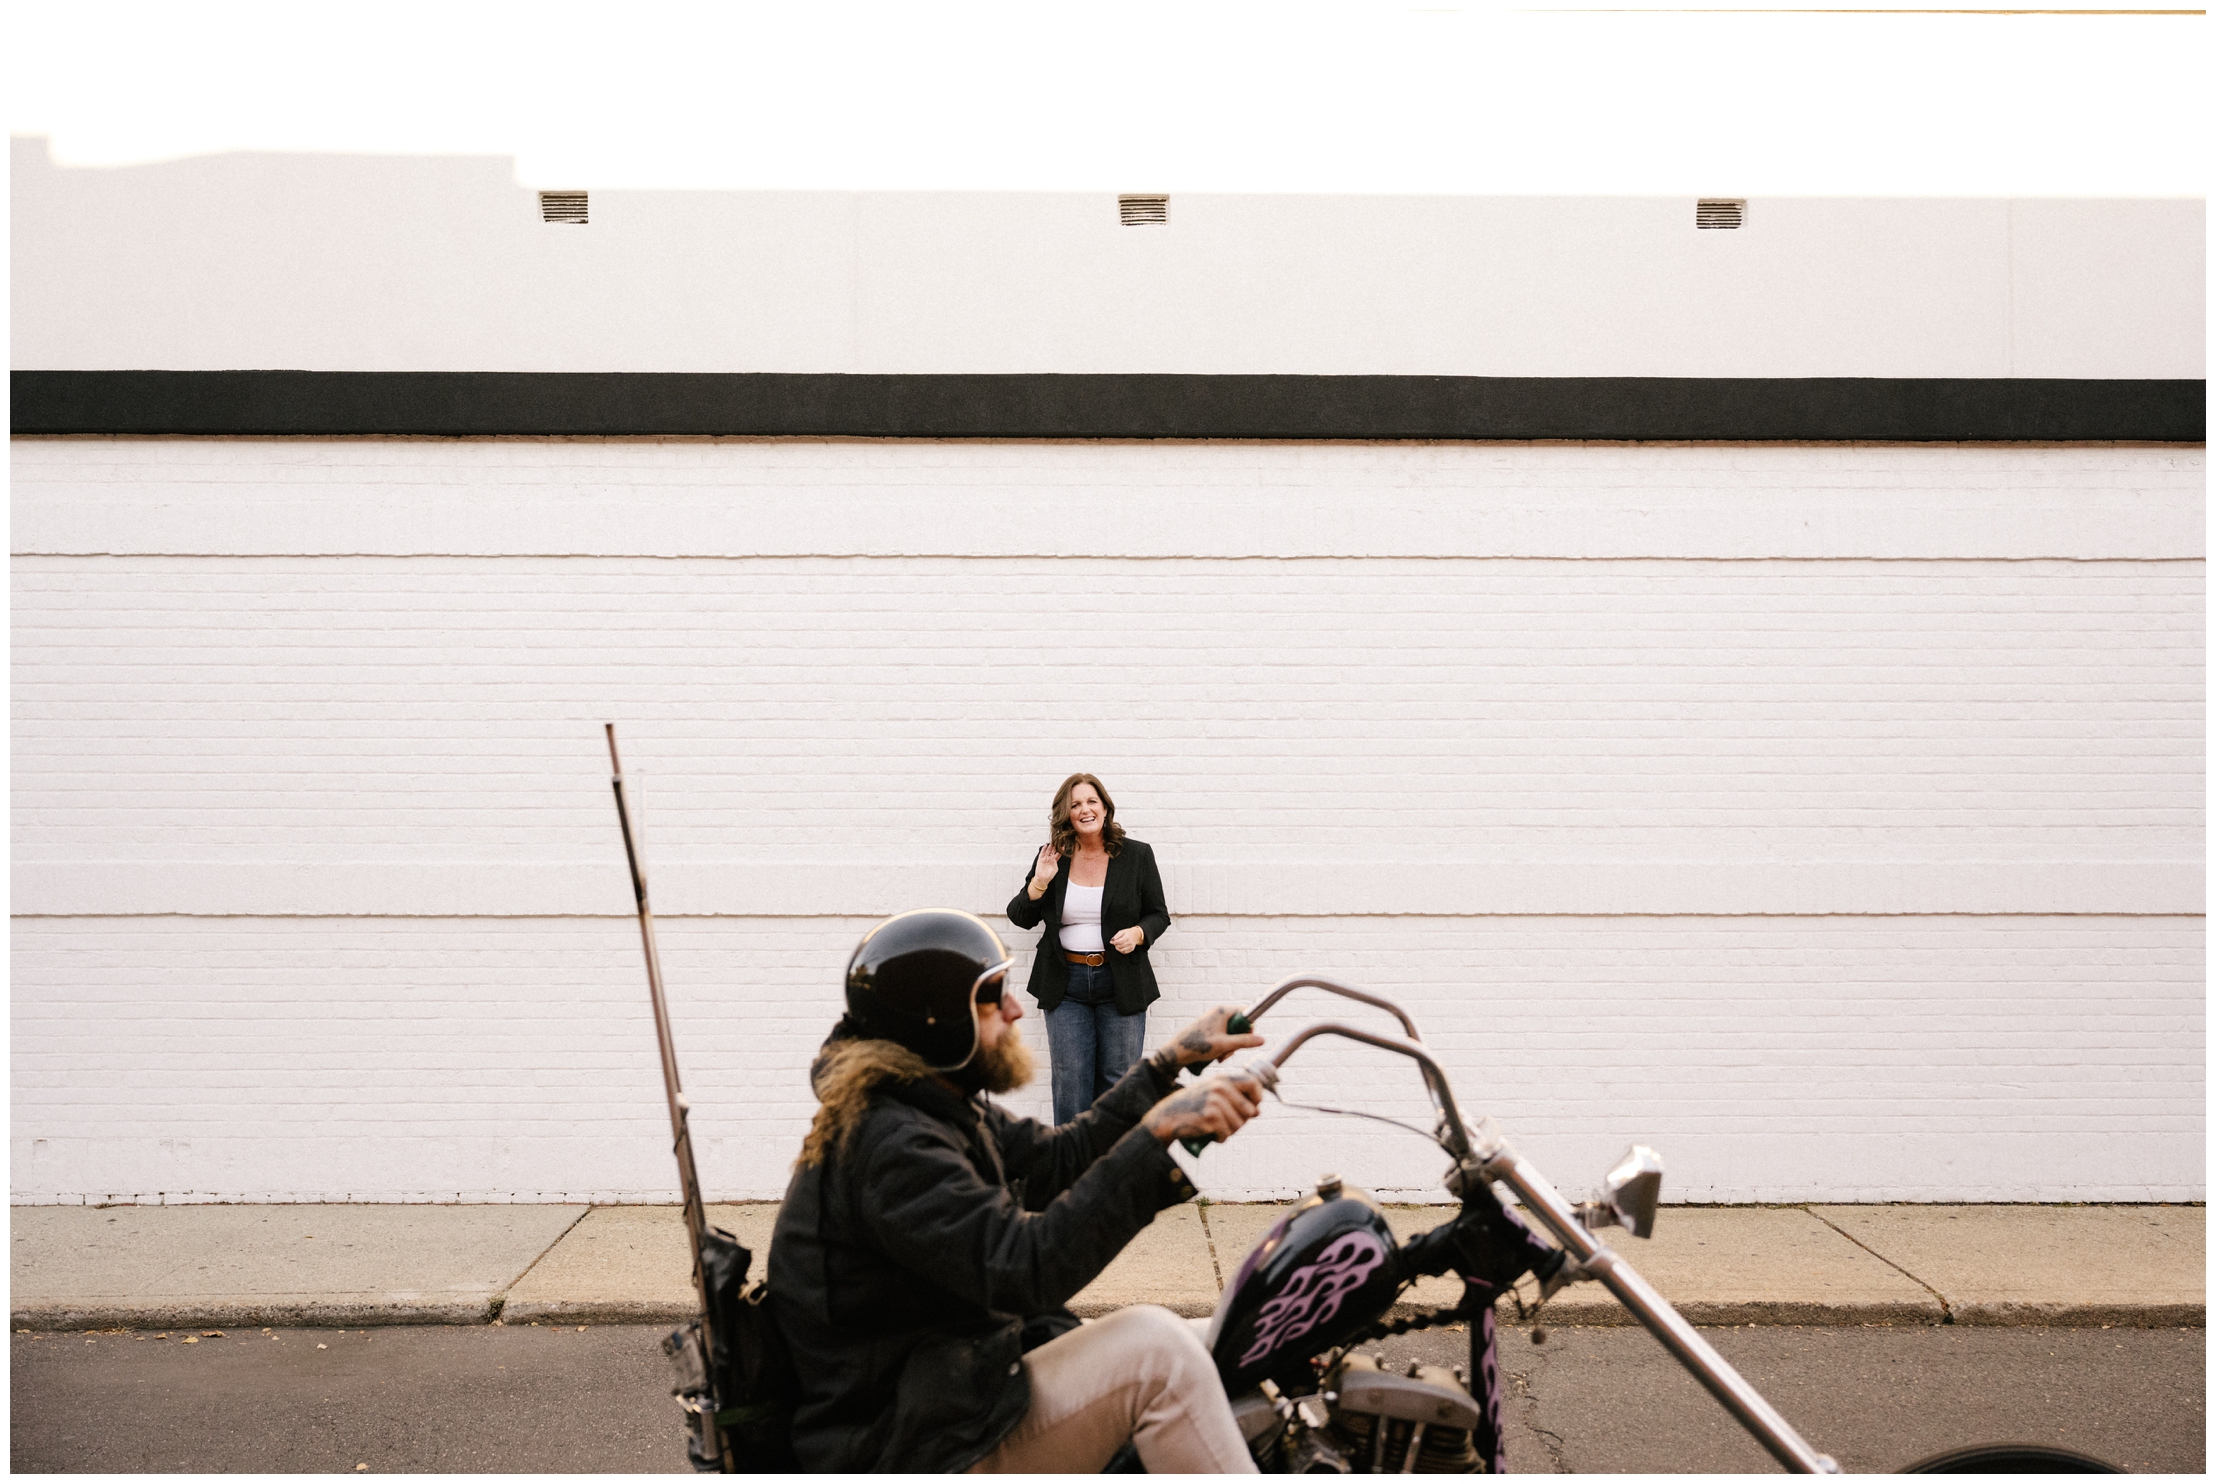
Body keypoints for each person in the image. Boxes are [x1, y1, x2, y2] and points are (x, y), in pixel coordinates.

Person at [768, 907, 1268, 1473]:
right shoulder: (892, 1147)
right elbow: (1024, 1268)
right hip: (911, 1441)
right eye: (993, 995)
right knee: (1160, 1353)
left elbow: (1061, 1158)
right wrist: (1156, 1137)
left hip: (957, 1394)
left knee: (1242, 1338)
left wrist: (1166, 1064)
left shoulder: (929, 1107)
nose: (1016, 1008)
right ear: (937, 1020)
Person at [1008, 773, 1172, 1125]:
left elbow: (1158, 914)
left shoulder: (1136, 855)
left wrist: (1139, 934)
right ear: (1065, 814)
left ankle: (1114, 1174)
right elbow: (1020, 916)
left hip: (1121, 981)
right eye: (1075, 804)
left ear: (1105, 806)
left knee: (1121, 1083)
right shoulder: (1053, 855)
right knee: (1071, 1083)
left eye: (1091, 801)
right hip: (1065, 985)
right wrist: (1040, 882)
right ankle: (1071, 1174)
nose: (1084, 810)